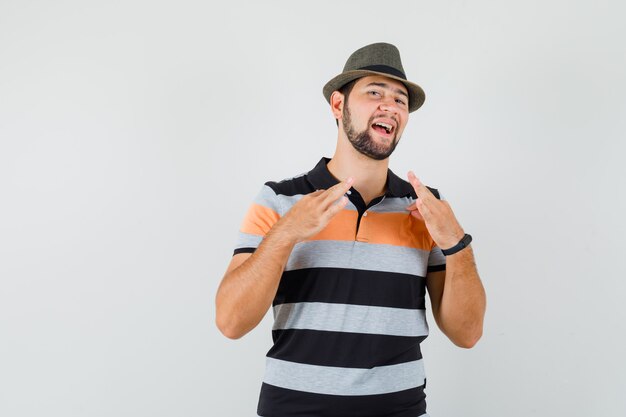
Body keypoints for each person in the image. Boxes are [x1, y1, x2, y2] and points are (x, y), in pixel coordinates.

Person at [215, 42, 486, 417]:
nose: (390, 106)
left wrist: (458, 243)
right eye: (374, 92)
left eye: (400, 100)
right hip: (292, 409)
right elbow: (230, 322)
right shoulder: (279, 199)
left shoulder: (428, 208)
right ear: (338, 106)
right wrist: (287, 232)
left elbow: (467, 334)